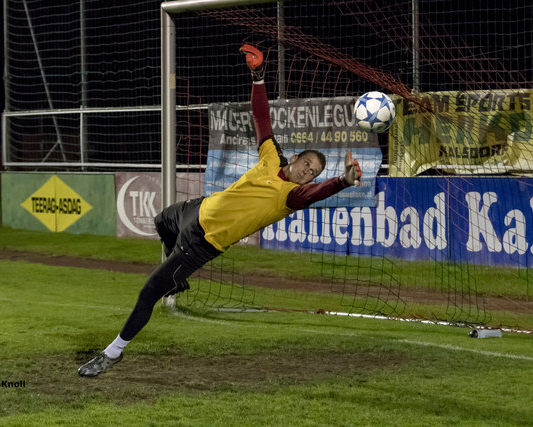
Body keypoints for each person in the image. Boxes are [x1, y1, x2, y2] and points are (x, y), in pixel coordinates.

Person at [78, 44, 362, 377]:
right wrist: (258, 77)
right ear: (297, 157)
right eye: (308, 165)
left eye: (313, 173)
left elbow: (316, 194)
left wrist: (342, 181)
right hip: (194, 211)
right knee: (160, 220)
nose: (308, 173)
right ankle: (176, 280)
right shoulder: (272, 158)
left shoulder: (293, 197)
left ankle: (114, 352)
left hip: (202, 244)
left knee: (148, 292)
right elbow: (261, 118)